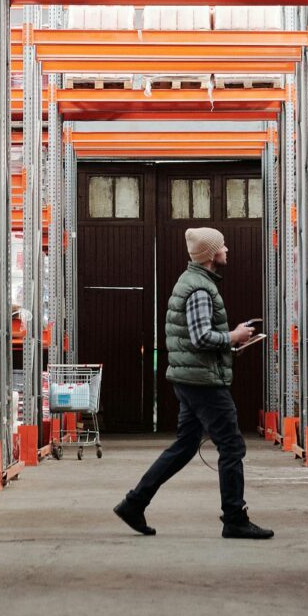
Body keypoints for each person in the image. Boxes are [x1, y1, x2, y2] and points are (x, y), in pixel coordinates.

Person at [116, 226, 272, 539]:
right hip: (203, 382)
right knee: (231, 445)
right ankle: (234, 518)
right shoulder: (200, 289)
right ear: (211, 254)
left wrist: (233, 341)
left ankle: (135, 503)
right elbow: (201, 337)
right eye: (222, 246)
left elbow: (197, 337)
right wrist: (232, 337)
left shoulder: (196, 283)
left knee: (185, 446)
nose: (227, 249)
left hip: (192, 377)